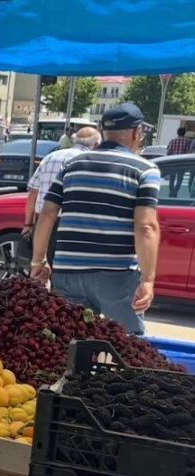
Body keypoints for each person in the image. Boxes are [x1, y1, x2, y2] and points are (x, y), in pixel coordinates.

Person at [31, 103, 161, 335]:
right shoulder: (144, 169)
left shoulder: (72, 165)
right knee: (126, 345)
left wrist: (38, 261)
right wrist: (148, 280)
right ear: (137, 132)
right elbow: (146, 226)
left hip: (68, 272)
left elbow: (47, 213)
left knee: (69, 342)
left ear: (104, 131)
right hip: (117, 275)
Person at [23, 126, 101, 238]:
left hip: (42, 221)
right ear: (96, 145)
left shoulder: (50, 157)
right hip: (71, 224)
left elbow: (33, 194)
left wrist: (28, 224)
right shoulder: (91, 162)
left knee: (39, 255)